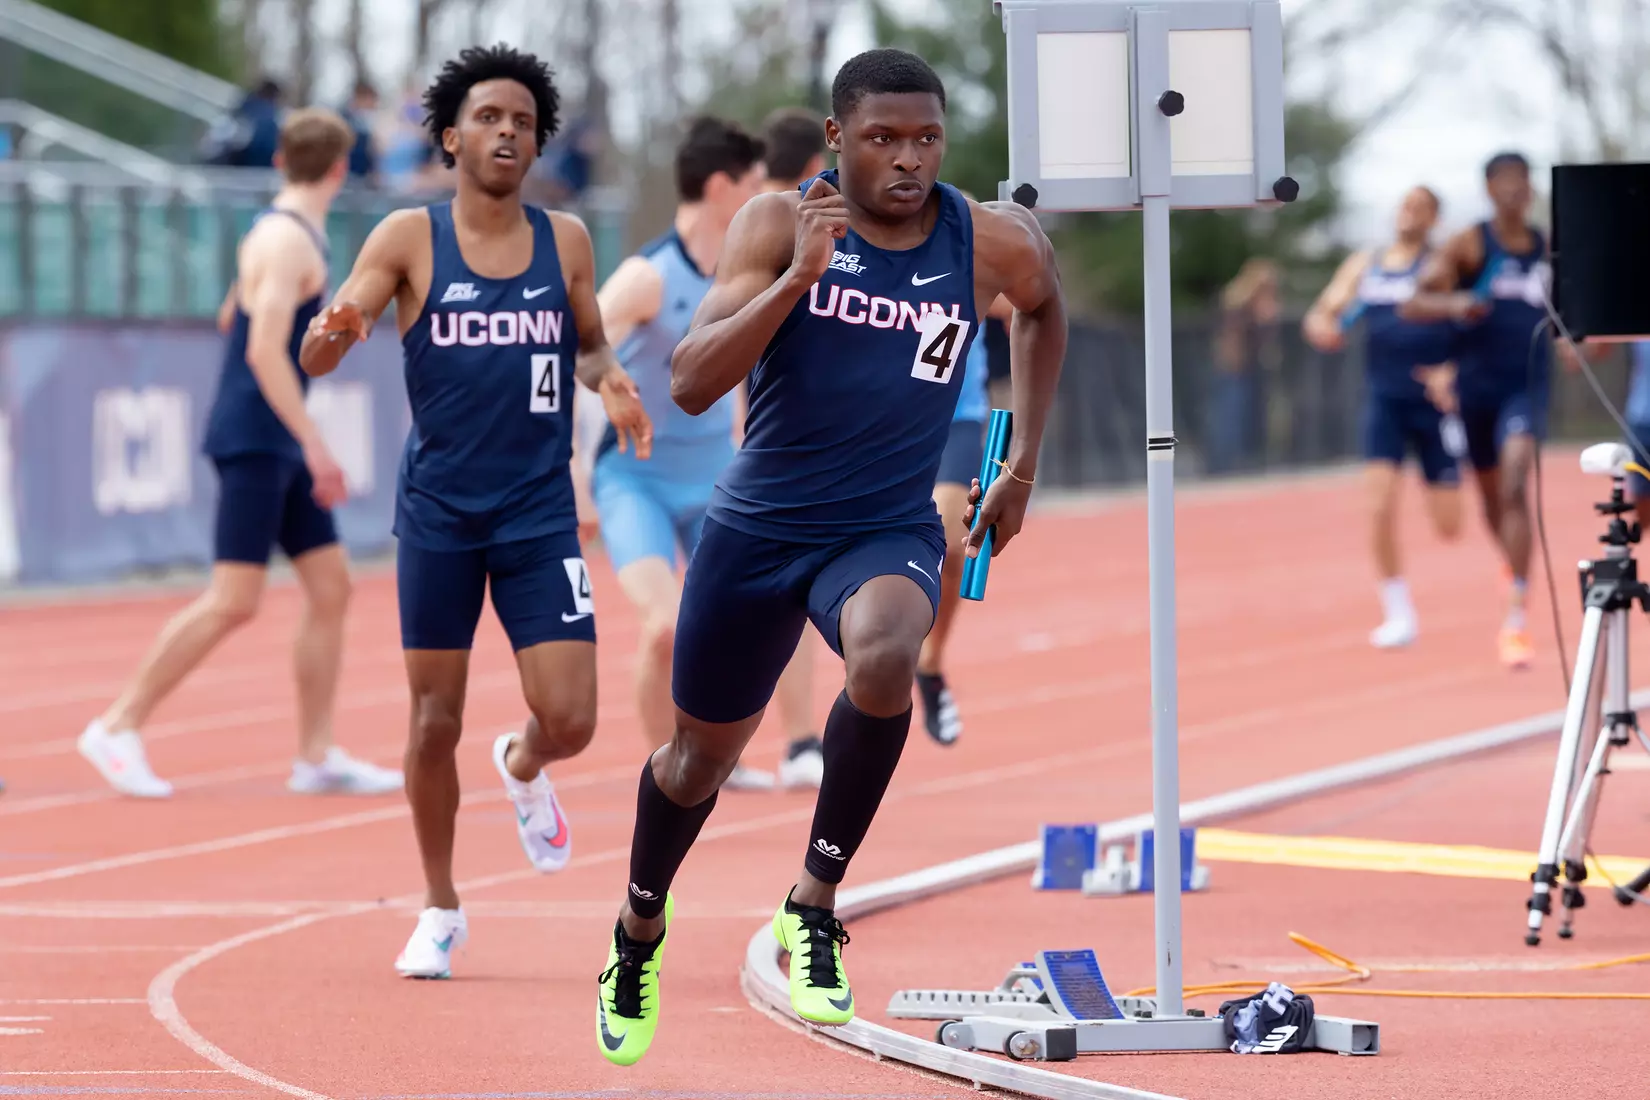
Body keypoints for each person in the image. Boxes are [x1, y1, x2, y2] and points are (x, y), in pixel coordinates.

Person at [594, 48, 1067, 1066]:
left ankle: (814, 899)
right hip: (758, 529)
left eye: (927, 139)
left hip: (883, 528)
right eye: (886, 139)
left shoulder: (987, 239)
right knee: (696, 762)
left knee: (890, 652)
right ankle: (638, 932)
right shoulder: (776, 223)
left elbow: (1043, 304)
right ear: (839, 142)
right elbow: (687, 380)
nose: (909, 159)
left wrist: (1021, 460)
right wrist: (799, 280)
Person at [297, 44, 652, 979]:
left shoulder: (567, 240)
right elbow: (325, 346)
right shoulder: (409, 239)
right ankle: (441, 907)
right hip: (443, 513)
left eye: (524, 123)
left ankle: (525, 765)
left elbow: (587, 347)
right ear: (450, 136)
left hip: (535, 512)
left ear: (538, 146)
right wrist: (331, 333)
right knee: (429, 722)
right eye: (489, 118)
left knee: (571, 718)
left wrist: (611, 382)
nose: (507, 132)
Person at [77, 108, 400, 802]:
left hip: (269, 431)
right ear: (341, 170)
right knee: (234, 598)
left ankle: (315, 754)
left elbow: (234, 316)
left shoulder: (273, 232)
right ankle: (117, 723)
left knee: (331, 585)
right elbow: (258, 349)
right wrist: (316, 445)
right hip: (257, 435)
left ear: (281, 162)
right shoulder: (288, 244)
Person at [578, 116, 775, 789]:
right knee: (666, 627)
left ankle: (717, 754)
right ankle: (671, 772)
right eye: (754, 182)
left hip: (718, 475)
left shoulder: (749, 268)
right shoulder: (648, 277)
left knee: (738, 625)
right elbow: (582, 348)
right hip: (636, 480)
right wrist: (574, 470)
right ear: (721, 187)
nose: (763, 192)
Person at [1403, 151, 1579, 668]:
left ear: (1531, 191)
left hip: (1525, 387)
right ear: (1488, 188)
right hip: (1475, 390)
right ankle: (1513, 567)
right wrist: (1457, 304)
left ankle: (1517, 615)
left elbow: (1571, 315)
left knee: (1515, 479)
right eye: (1504, 182)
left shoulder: (1549, 249)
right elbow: (1414, 304)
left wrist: (1576, 343)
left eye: (1522, 183)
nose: (1514, 191)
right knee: (1490, 501)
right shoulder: (1471, 243)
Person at [1302, 185, 1464, 648]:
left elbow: (1474, 324)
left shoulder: (1443, 264)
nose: (1408, 214)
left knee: (1450, 526)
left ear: (1434, 218)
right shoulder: (1366, 263)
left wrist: (1451, 371)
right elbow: (1323, 311)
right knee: (1377, 505)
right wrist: (1324, 329)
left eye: (1420, 208)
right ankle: (1398, 612)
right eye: (1404, 205)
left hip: (1434, 407)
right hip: (1385, 400)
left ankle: (1453, 471)